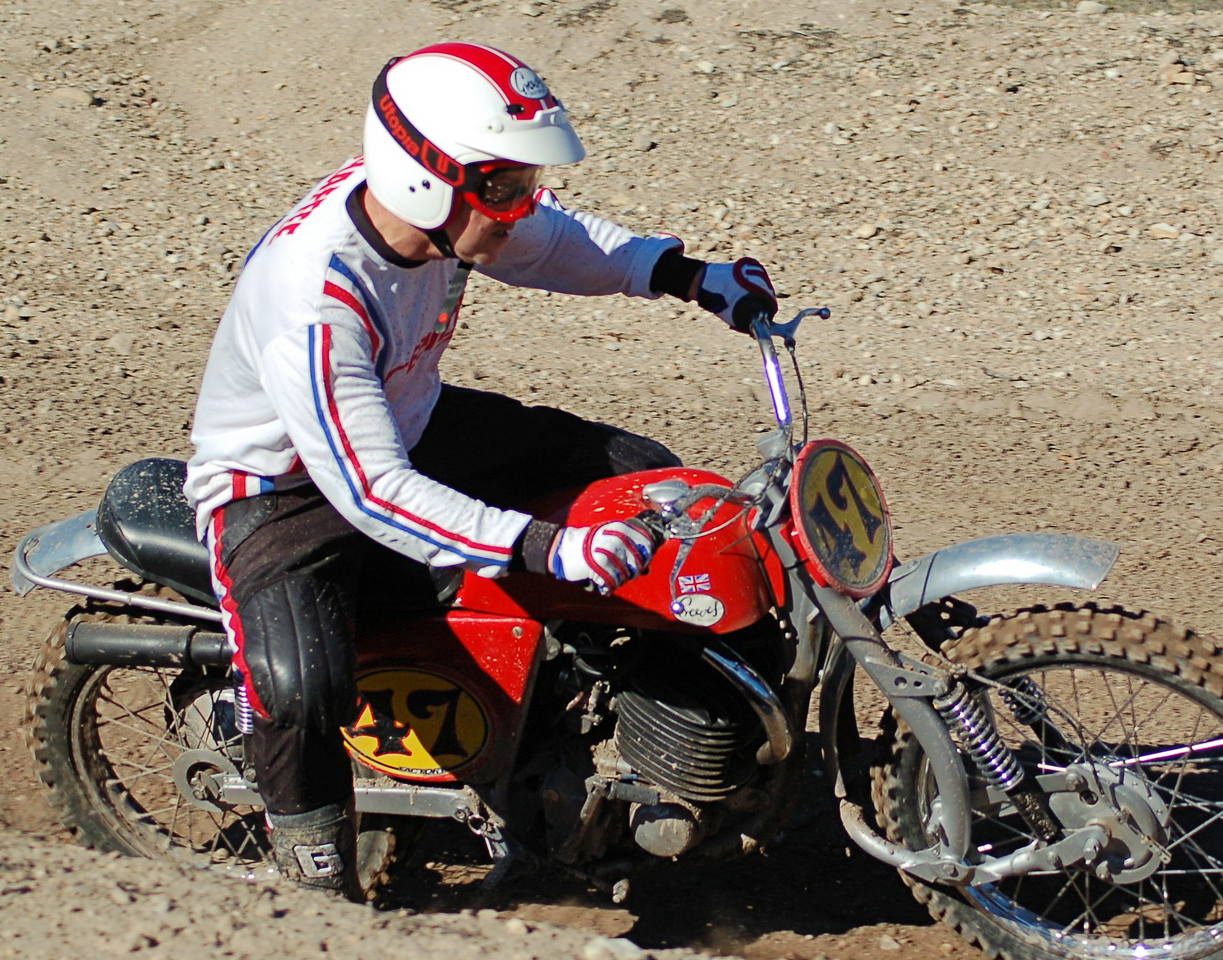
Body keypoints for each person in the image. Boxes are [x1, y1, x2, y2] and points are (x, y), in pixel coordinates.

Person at [183, 41, 778, 898]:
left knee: (637, 471)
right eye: (505, 187)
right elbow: (372, 491)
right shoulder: (315, 301)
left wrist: (683, 275)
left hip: (400, 424)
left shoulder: (443, 223)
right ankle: (315, 890)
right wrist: (547, 548)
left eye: (522, 183)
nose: (522, 206)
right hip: (282, 490)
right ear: (427, 175)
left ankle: (651, 724)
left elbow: (555, 243)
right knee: (305, 687)